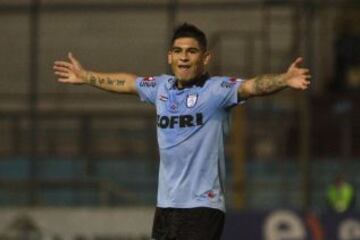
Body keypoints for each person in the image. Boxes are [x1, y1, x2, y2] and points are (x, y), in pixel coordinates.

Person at [53, 23, 311, 240]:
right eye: (178, 51)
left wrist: (284, 80)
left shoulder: (217, 90)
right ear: (170, 56)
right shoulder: (161, 88)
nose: (184, 57)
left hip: (202, 205)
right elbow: (127, 82)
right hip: (166, 206)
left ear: (205, 57)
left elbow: (254, 86)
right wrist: (86, 76)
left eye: (191, 51)